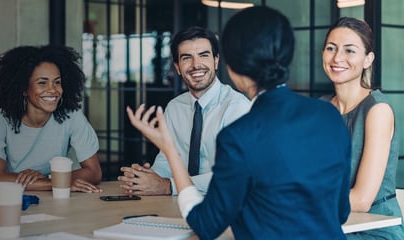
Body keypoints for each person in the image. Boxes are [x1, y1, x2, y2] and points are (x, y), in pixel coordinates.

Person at [126, 6, 352, 239]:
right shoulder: (328, 115)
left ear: (229, 67)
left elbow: (205, 225)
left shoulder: (240, 134)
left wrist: (169, 149)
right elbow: (340, 212)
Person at [118, 26, 251, 196]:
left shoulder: (237, 108)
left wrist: (168, 186)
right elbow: (166, 160)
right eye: (187, 58)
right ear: (178, 67)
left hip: (225, 204)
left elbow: (234, 174)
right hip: (180, 203)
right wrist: (146, 178)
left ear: (216, 61)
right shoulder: (174, 107)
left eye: (204, 55)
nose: (196, 65)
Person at [320, 17, 404, 239]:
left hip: (375, 229)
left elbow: (362, 200)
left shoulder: (377, 110)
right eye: (331, 48)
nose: (337, 58)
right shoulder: (319, 109)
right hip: (330, 222)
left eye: (350, 51)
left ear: (368, 59)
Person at [0, 45, 102, 193]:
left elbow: (94, 172)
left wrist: (49, 179)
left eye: (57, 82)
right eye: (42, 82)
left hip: (51, 200)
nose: (52, 90)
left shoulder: (72, 116)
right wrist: (59, 183)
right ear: (24, 88)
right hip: (8, 199)